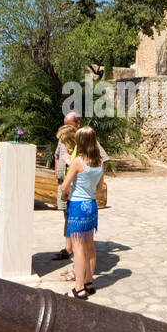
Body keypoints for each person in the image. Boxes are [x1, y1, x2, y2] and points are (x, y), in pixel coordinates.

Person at [61, 126, 104, 298]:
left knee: (78, 248)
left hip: (78, 206)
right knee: (90, 246)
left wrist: (65, 193)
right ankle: (89, 282)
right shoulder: (99, 162)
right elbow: (100, 187)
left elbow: (65, 185)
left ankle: (79, 288)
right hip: (91, 205)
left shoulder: (78, 162)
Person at [53, 121, 78, 271]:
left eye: (63, 140)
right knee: (67, 218)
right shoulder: (67, 148)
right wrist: (57, 173)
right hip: (65, 187)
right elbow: (57, 156)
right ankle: (68, 249)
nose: (61, 142)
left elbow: (103, 159)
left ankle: (74, 257)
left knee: (73, 224)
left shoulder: (79, 150)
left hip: (73, 192)